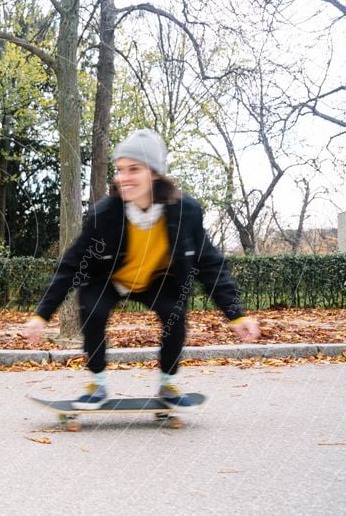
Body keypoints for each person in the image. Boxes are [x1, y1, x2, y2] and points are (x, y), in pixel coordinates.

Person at [22, 129, 260, 410]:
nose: (123, 178)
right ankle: (96, 384)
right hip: (109, 279)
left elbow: (210, 264)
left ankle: (167, 383)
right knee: (94, 310)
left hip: (158, 281)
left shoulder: (186, 212)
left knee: (174, 314)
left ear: (155, 174)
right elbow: (72, 264)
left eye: (133, 169)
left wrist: (236, 314)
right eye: (120, 170)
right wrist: (42, 313)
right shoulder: (105, 215)